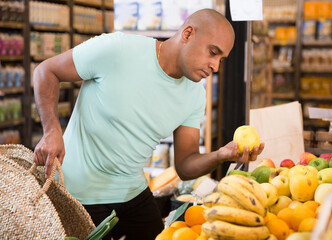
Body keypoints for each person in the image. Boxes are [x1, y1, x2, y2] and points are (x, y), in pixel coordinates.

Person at [32, 9, 264, 240]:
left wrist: (221, 155)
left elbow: (185, 165)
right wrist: (52, 130)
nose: (215, 67)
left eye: (221, 59)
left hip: (133, 192)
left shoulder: (194, 94)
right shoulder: (118, 49)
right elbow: (46, 71)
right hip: (79, 194)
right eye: (213, 53)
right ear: (188, 33)